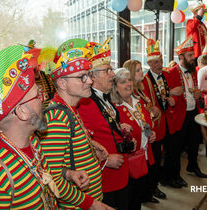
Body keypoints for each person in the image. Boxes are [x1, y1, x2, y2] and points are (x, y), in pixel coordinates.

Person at [40, 38, 113, 210]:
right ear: (62, 83)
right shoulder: (58, 117)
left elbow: (65, 153)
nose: (89, 81)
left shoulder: (70, 108)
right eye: (82, 77)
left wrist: (89, 146)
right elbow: (52, 177)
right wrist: (92, 204)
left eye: (87, 75)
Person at [0, 45, 59, 209]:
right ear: (22, 112)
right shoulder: (0, 176)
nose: (44, 97)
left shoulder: (34, 143)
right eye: (38, 94)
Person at [78, 38, 133, 210]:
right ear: (92, 76)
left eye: (111, 69)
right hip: (104, 177)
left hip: (120, 171)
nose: (112, 74)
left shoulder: (105, 97)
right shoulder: (84, 102)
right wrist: (105, 159)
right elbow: (81, 142)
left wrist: (121, 129)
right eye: (107, 70)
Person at [142, 39, 186, 195]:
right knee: (154, 157)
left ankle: (172, 177)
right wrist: (169, 94)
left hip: (171, 120)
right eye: (154, 63)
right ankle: (153, 187)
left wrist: (174, 99)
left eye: (160, 61)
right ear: (149, 64)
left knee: (174, 151)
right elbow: (147, 103)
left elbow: (180, 92)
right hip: (157, 124)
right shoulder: (144, 80)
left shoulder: (167, 74)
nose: (158, 65)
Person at [110, 67, 157, 208]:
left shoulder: (139, 101)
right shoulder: (113, 108)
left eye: (129, 80)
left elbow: (146, 124)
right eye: (123, 82)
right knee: (128, 200)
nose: (128, 84)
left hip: (145, 156)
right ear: (115, 87)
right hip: (128, 162)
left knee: (139, 196)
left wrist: (151, 133)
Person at [170, 36, 207, 178]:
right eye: (190, 55)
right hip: (179, 114)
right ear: (181, 57)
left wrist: (197, 94)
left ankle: (193, 166)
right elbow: (164, 93)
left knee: (194, 143)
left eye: (193, 55)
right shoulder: (171, 72)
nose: (193, 58)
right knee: (177, 147)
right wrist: (171, 93)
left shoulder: (193, 71)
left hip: (193, 112)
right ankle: (175, 175)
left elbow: (195, 89)